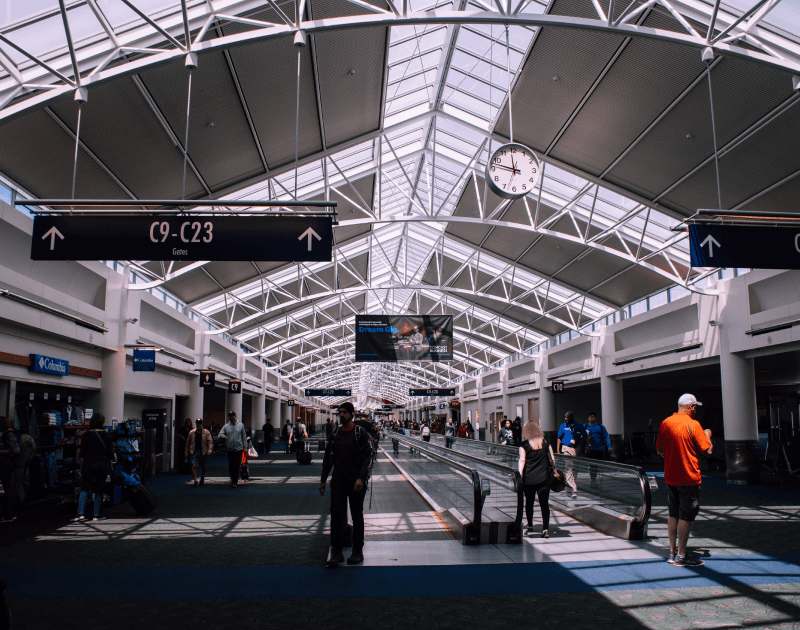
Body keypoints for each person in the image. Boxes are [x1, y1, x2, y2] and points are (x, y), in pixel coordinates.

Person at [657, 394, 713, 568]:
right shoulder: (694, 425)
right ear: (691, 407)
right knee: (685, 516)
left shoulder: (665, 423)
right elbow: (708, 451)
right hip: (688, 478)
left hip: (670, 477)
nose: (695, 410)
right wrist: (708, 435)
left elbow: (660, 450)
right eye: (695, 407)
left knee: (673, 514)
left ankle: (672, 552)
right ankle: (682, 556)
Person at [319, 402, 372, 567]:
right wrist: (323, 479)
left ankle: (358, 551)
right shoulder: (335, 434)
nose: (341, 415)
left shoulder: (359, 433)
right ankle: (337, 552)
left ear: (351, 414)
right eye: (340, 412)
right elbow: (328, 459)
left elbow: (367, 457)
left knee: (357, 515)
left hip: (356, 481)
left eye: (344, 412)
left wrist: (362, 478)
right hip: (338, 481)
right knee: (336, 515)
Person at [518, 420, 557, 538]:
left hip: (528, 479)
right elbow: (552, 460)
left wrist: (519, 475)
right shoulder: (545, 443)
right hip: (544, 479)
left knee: (529, 502)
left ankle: (530, 525)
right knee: (544, 504)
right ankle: (545, 529)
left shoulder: (524, 445)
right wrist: (554, 470)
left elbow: (522, 461)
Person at [73, 413, 113, 522]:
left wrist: (81, 466)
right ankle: (96, 515)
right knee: (99, 490)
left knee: (85, 488)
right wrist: (110, 466)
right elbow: (110, 454)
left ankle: (81, 513)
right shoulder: (106, 435)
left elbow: (82, 454)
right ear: (102, 422)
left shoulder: (86, 435)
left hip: (89, 464)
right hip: (103, 464)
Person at [556, 411, 586, 499]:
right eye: (565, 417)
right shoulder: (563, 426)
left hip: (576, 449)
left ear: (572, 417)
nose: (565, 419)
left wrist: (586, 445)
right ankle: (574, 488)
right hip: (566, 448)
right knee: (569, 467)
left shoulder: (579, 425)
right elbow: (559, 438)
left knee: (575, 468)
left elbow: (585, 436)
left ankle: (570, 485)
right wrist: (558, 450)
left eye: (567, 417)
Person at [218, 411, 248, 488]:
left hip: (238, 449)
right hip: (230, 449)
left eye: (232, 415)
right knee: (231, 465)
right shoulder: (226, 426)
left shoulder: (241, 425)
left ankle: (235, 480)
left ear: (235, 416)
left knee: (237, 464)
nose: (231, 417)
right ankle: (233, 479)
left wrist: (245, 447)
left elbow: (244, 437)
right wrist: (223, 436)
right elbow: (220, 434)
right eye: (230, 416)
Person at [0, 417, 19, 523]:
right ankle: (8, 513)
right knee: (6, 488)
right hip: (7, 464)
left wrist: (2, 452)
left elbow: (16, 450)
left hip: (6, 464)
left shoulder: (9, 434)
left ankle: (7, 513)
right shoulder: (9, 434)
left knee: (5, 488)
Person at [584, 412, 610, 488]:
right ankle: (593, 481)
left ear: (595, 418)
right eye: (589, 417)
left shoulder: (600, 426)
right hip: (589, 449)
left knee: (596, 465)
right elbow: (580, 436)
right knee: (592, 465)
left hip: (599, 449)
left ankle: (594, 479)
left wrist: (609, 445)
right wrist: (586, 438)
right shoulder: (585, 426)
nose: (590, 418)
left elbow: (606, 436)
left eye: (592, 417)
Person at [185, 418, 212, 487]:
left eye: (200, 423)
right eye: (197, 423)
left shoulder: (206, 432)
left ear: (202, 424)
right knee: (193, 465)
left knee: (204, 467)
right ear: (195, 424)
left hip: (203, 451)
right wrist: (186, 451)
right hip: (194, 451)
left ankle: (202, 476)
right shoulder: (192, 432)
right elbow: (188, 443)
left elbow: (210, 442)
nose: (198, 425)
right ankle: (195, 480)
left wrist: (209, 449)